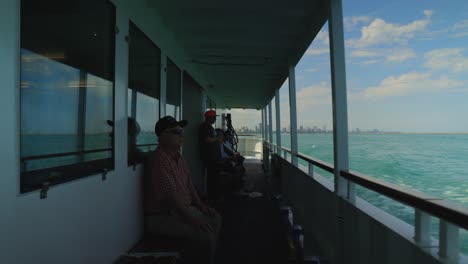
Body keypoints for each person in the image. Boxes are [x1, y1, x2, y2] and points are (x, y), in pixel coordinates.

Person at [144, 116, 221, 264]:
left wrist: (201, 206)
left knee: (216, 218)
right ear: (161, 136)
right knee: (206, 234)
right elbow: (170, 198)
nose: (181, 135)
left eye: (181, 131)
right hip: (162, 216)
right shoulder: (158, 160)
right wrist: (193, 218)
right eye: (175, 132)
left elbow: (189, 184)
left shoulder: (178, 157)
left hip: (182, 210)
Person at [199, 110, 224, 200]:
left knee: (215, 177)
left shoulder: (210, 127)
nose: (214, 119)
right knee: (212, 178)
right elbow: (206, 139)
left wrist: (218, 139)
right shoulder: (204, 127)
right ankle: (213, 197)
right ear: (208, 117)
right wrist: (218, 138)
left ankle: (214, 196)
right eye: (213, 117)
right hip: (210, 157)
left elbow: (214, 140)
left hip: (214, 157)